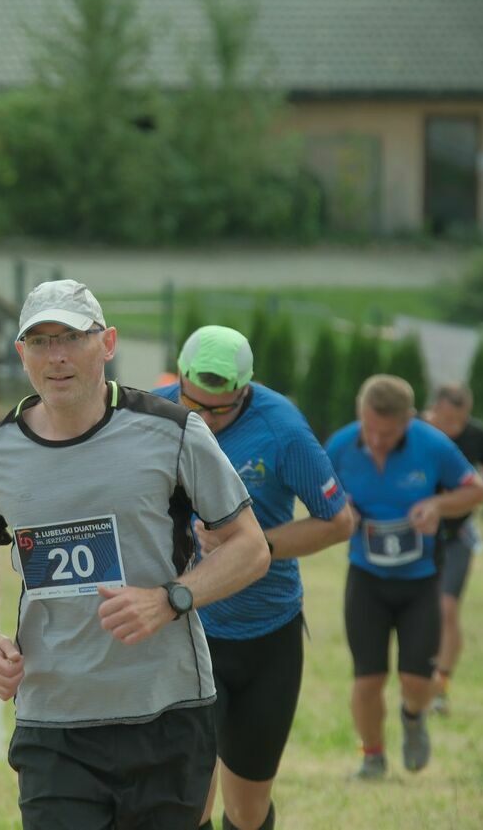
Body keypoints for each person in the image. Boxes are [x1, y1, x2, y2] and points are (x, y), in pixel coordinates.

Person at [0, 279, 269, 829]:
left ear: (108, 343)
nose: (56, 357)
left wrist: (171, 599)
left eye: (71, 338)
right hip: (55, 718)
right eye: (40, 341)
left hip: (165, 708)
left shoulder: (173, 432)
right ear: (20, 352)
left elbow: (251, 547)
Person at [154, 326, 354, 830]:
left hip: (268, 633)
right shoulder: (150, 415)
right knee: (189, 794)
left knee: (246, 810)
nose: (203, 418)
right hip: (187, 631)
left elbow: (339, 521)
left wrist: (258, 546)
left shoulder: (281, 428)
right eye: (192, 402)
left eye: (219, 410)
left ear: (246, 389)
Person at [325, 375, 483, 780]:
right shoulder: (341, 445)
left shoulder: (431, 445)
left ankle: (413, 718)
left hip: (419, 581)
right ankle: (372, 757)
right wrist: (340, 508)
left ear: (409, 420)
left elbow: (475, 490)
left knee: (416, 680)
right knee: (368, 678)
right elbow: (319, 493)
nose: (378, 440)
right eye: (371, 429)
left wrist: (437, 504)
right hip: (366, 578)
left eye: (389, 432)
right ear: (360, 416)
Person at [423, 382, 483, 714]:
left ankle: (441, 685)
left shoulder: (476, 436)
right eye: (449, 419)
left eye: (461, 419)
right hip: (417, 537)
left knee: (447, 609)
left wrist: (482, 489)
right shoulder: (416, 431)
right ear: (435, 409)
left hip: (457, 537)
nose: (455, 427)